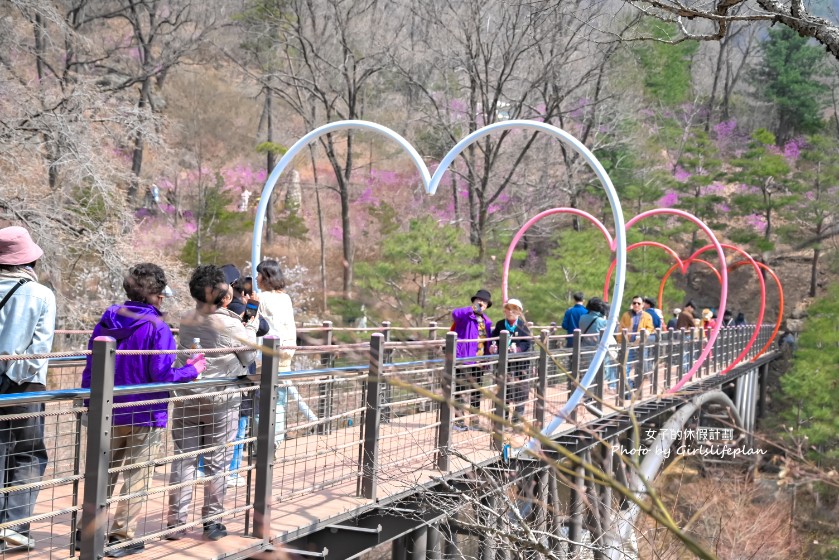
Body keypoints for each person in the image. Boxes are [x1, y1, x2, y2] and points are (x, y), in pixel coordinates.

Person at [80, 263, 206, 557]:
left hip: (107, 410)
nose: (164, 299)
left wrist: (90, 404)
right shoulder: (157, 327)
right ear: (156, 295)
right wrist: (192, 370)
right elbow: (162, 374)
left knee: (102, 472)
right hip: (145, 413)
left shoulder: (107, 321)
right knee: (136, 476)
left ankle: (86, 532)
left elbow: (91, 365)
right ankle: (122, 537)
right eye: (162, 294)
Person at [167, 265, 258, 542]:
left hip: (188, 396)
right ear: (224, 297)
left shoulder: (186, 318)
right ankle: (212, 521)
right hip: (221, 400)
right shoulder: (230, 323)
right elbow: (249, 353)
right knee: (218, 461)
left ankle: (176, 523)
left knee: (184, 460)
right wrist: (252, 321)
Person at [0, 226, 55, 552]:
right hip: (24, 388)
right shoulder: (41, 294)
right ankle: (14, 527)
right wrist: (12, 376)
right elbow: (39, 351)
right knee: (28, 454)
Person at [256, 260, 318, 452]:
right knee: (279, 401)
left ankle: (262, 444)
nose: (256, 278)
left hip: (266, 355)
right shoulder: (286, 298)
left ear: (265, 277)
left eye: (259, 274)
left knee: (261, 402)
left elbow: (254, 325)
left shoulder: (262, 298)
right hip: (286, 353)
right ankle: (275, 442)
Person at [451, 289, 494, 431]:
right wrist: (473, 309)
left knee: (476, 391)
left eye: (485, 303)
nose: (482, 304)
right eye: (479, 301)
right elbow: (454, 313)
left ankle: (475, 421)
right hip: (464, 359)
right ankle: (459, 422)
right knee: (461, 390)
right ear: (473, 302)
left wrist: (487, 359)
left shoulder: (487, 322)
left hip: (479, 361)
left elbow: (487, 341)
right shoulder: (465, 316)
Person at [489, 299, 531, 421]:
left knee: (520, 390)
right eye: (508, 309)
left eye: (514, 309)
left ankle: (517, 420)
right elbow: (494, 338)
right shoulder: (500, 324)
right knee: (503, 389)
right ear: (505, 311)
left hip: (520, 364)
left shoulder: (523, 326)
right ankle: (502, 418)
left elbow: (527, 343)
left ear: (519, 312)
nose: (511, 312)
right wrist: (493, 346)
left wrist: (517, 349)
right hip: (504, 363)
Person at [578, 297, 618, 391]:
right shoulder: (602, 321)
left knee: (588, 371)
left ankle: (588, 393)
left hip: (585, 348)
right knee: (601, 371)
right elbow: (613, 328)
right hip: (598, 349)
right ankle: (597, 393)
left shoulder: (582, 318)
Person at [618, 296, 654, 388]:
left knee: (640, 367)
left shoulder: (647, 316)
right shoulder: (626, 315)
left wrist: (647, 332)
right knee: (626, 367)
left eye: (638, 303)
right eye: (634, 303)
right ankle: (628, 386)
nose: (636, 305)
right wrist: (619, 342)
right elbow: (620, 328)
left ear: (642, 305)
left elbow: (650, 327)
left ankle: (638, 387)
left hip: (640, 344)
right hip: (628, 344)